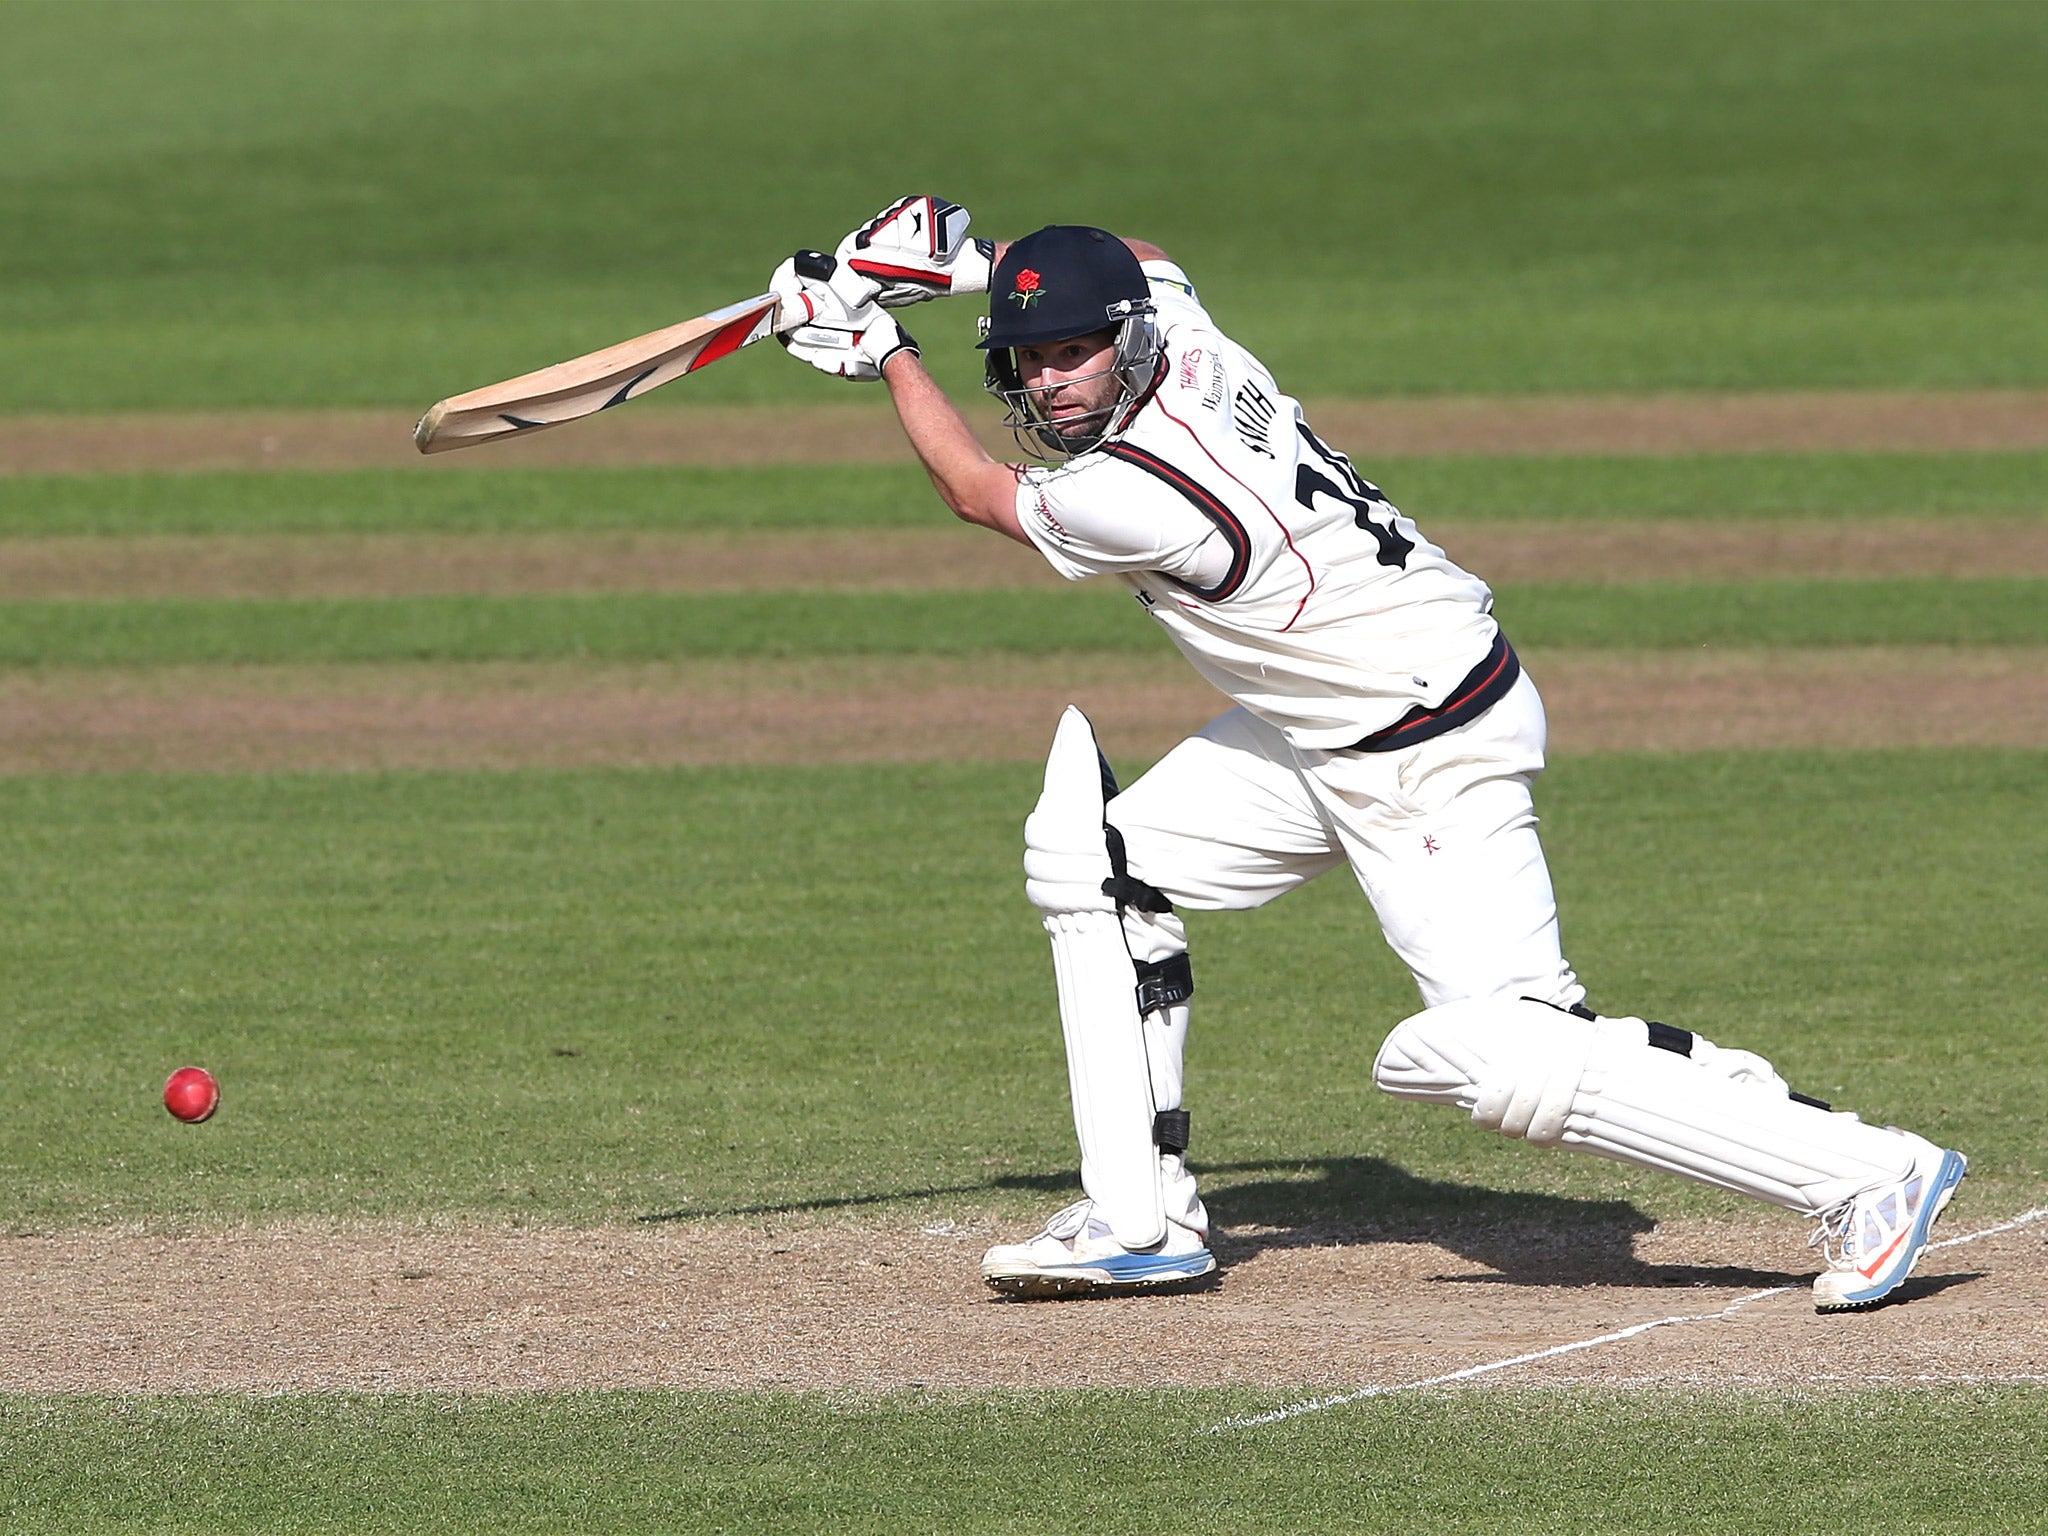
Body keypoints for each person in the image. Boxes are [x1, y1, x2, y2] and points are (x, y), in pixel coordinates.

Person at [767, 197, 1966, 1310]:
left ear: (1121, 344)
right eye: (1029, 358)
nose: (1050, 382)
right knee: (1098, 861)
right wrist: (962, 261)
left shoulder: (1131, 490)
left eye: (1071, 352)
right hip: (1328, 727)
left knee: (1489, 1054)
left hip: (1421, 753)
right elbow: (1138, 260)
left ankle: (1866, 1172)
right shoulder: (1180, 333)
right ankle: (1138, 1219)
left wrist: (881, 348)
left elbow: (980, 492)